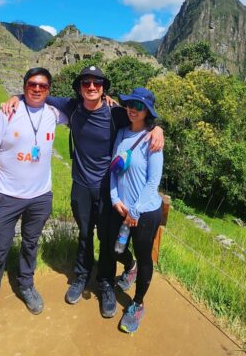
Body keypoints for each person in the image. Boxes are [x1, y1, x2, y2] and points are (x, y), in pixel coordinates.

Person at [2, 65, 164, 319]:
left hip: (108, 188)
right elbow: (39, 94)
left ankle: (106, 282)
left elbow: (142, 121)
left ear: (103, 88)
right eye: (86, 82)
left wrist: (158, 129)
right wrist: (16, 97)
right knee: (85, 234)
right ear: (79, 88)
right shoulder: (72, 106)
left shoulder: (116, 113)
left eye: (97, 83)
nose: (91, 87)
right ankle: (81, 276)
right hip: (81, 185)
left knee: (107, 239)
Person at [0, 67, 67, 339]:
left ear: (49, 90)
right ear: (24, 86)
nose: (37, 89)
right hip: (7, 196)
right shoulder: (7, 113)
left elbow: (86, 108)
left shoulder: (54, 114)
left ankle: (26, 284)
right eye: (32, 85)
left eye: (42, 86)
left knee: (31, 243)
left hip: (40, 196)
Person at [109, 87, 164, 333]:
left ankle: (138, 304)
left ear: (147, 111)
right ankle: (129, 267)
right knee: (115, 248)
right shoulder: (122, 133)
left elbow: (153, 181)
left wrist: (136, 210)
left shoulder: (153, 139)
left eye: (139, 106)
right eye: (130, 104)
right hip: (122, 209)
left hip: (145, 212)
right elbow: (113, 168)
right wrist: (114, 198)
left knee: (144, 257)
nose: (133, 109)